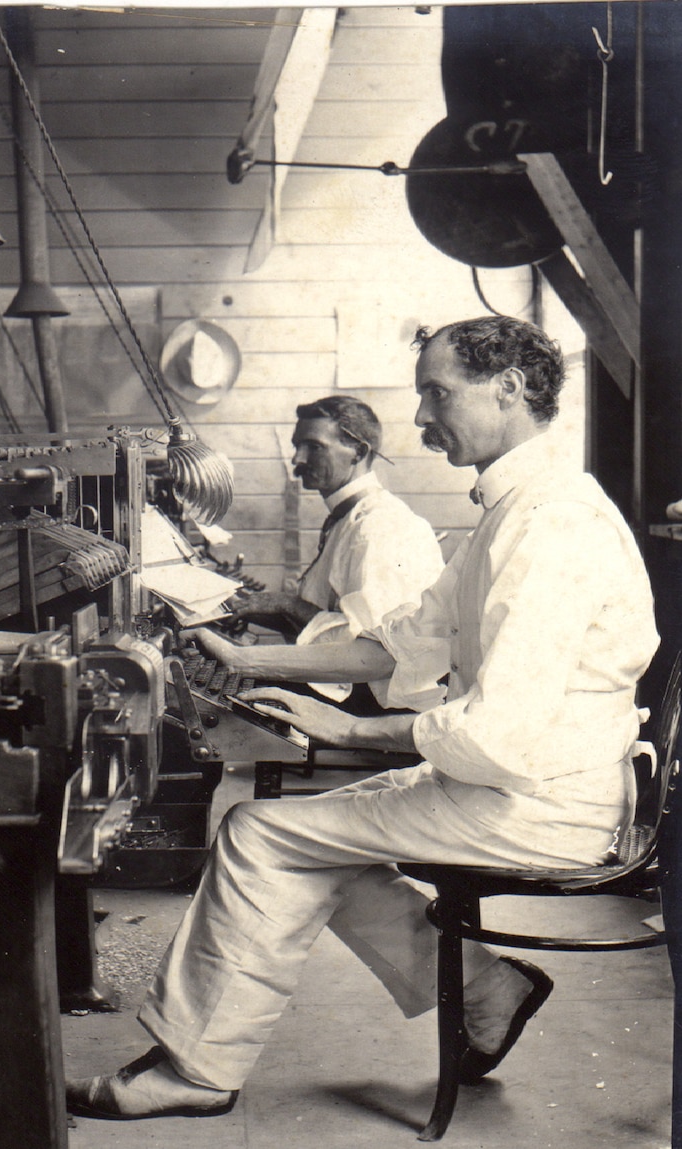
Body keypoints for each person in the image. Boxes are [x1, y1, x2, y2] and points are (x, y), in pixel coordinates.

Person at [66, 316, 659, 1120]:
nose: (418, 419)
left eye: (435, 393)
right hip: (534, 781)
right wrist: (247, 661)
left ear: (510, 388)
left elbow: (497, 732)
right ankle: (487, 993)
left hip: (542, 800)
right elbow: (399, 644)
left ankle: (197, 1069)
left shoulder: (549, 527)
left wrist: (348, 729)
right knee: (312, 833)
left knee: (258, 833)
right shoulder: (520, 509)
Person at [228, 395, 443, 709]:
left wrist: (286, 605)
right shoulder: (349, 518)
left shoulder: (380, 526)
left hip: (378, 705)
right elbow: (328, 623)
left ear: (359, 451)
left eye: (314, 447)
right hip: (355, 692)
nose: (297, 460)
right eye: (296, 446)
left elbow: (369, 650)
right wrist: (247, 608)